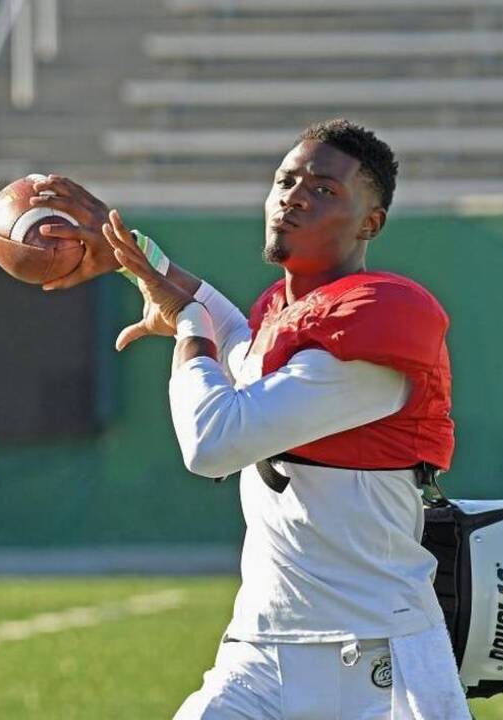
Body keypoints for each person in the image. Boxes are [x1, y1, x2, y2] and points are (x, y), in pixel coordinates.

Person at [32, 119, 470, 719]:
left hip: (375, 658)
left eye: (324, 189)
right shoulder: (286, 310)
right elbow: (240, 336)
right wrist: (134, 256)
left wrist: (185, 325)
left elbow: (212, 442)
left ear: (371, 222)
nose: (295, 195)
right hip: (263, 647)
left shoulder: (377, 318)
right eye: (286, 180)